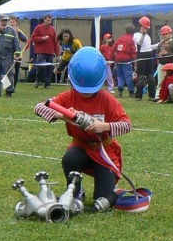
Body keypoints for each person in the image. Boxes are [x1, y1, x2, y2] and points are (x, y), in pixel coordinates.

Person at [34, 47, 132, 213]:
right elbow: (39, 107)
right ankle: (76, 191)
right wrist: (64, 116)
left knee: (102, 199)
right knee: (70, 158)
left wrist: (104, 126)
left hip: (104, 153)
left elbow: (126, 125)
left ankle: (113, 191)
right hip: (81, 149)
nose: (85, 93)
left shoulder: (107, 99)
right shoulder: (68, 97)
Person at [0, 15, 21, 97]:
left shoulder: (12, 30)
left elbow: (16, 43)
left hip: (8, 55)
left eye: (6, 20)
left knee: (8, 74)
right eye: (2, 20)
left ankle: (8, 92)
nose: (4, 22)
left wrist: (17, 54)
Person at [30, 14, 59, 88]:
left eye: (50, 21)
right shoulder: (38, 28)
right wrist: (42, 38)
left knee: (50, 68)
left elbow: (55, 41)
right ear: (44, 19)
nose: (49, 22)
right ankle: (38, 80)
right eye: (48, 20)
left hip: (50, 51)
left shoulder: (52, 29)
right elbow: (33, 38)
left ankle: (47, 84)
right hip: (40, 51)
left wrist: (57, 53)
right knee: (41, 67)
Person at [133, 17, 158, 101]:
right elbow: (139, 43)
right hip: (141, 56)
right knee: (141, 77)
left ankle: (152, 95)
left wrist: (159, 44)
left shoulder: (148, 36)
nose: (145, 29)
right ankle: (138, 96)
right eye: (143, 27)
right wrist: (143, 35)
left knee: (151, 77)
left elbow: (149, 47)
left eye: (146, 28)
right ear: (140, 26)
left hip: (149, 55)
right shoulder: (136, 35)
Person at [154, 25, 173, 100]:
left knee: (171, 81)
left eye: (166, 34)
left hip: (170, 65)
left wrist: (167, 53)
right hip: (161, 65)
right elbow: (156, 54)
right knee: (160, 81)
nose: (164, 36)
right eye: (163, 34)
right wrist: (159, 55)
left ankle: (171, 96)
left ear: (170, 34)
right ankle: (158, 96)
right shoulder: (160, 44)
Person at [113, 23, 137, 98]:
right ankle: (131, 91)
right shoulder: (131, 39)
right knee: (128, 75)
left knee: (120, 75)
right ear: (133, 31)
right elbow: (133, 52)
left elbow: (114, 48)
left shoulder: (120, 38)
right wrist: (135, 63)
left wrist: (111, 59)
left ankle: (120, 90)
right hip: (126, 60)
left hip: (118, 59)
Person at [9, 17, 29, 89]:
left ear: (16, 23)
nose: (12, 24)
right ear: (9, 22)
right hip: (8, 54)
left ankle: (13, 87)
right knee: (8, 71)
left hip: (17, 55)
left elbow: (25, 39)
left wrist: (18, 32)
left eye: (14, 22)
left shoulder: (19, 31)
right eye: (11, 22)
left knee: (16, 71)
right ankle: (8, 86)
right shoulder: (6, 30)